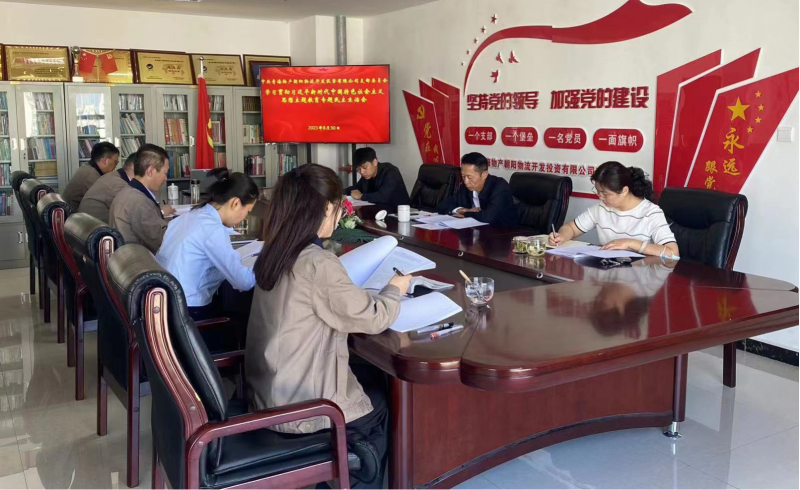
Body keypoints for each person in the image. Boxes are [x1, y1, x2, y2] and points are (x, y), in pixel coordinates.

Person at [246, 163, 411, 488]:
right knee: (385, 403)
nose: (339, 216)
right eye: (338, 207)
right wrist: (395, 289)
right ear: (325, 208)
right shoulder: (317, 262)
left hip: (269, 389)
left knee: (368, 375)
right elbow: (374, 317)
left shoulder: (276, 248)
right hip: (302, 405)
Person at [156, 170, 258, 321]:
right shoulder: (212, 229)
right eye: (247, 211)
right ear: (235, 203)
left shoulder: (187, 217)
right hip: (188, 311)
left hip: (165, 303)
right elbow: (244, 282)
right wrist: (265, 264)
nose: (245, 217)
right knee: (241, 314)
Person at [549, 161, 680, 259]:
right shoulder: (602, 208)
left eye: (605, 194)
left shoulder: (651, 213)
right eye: (598, 192)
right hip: (607, 273)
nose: (600, 197)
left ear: (624, 191)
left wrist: (630, 243)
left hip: (639, 279)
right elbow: (571, 228)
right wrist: (562, 236)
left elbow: (673, 252)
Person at [109, 144, 173, 254]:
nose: (165, 179)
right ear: (150, 171)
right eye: (165, 173)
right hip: (138, 260)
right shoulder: (139, 201)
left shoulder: (128, 191)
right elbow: (164, 242)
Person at [437, 152, 519, 227]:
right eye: (463, 176)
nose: (465, 181)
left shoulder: (499, 186)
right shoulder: (466, 186)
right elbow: (442, 205)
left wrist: (466, 213)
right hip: (477, 231)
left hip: (503, 233)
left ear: (484, 174)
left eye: (469, 177)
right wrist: (461, 210)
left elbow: (487, 217)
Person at [77, 153, 135, 223]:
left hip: (85, 223)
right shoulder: (119, 184)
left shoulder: (113, 176)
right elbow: (134, 213)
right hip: (95, 227)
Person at [345, 147, 410, 208]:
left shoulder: (391, 171)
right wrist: (340, 193)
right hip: (379, 210)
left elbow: (383, 196)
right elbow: (356, 188)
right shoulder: (368, 175)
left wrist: (361, 196)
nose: (362, 172)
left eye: (364, 167)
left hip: (399, 212)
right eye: (358, 169)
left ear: (374, 162)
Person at [62, 142, 119, 211]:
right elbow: (109, 199)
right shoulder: (90, 175)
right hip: (74, 215)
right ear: (104, 161)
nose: (116, 165)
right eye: (115, 162)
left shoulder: (87, 168)